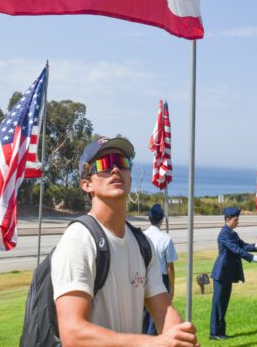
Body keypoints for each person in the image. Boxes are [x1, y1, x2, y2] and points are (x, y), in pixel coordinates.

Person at [52, 135, 199, 346]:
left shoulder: (142, 245)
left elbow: (165, 312)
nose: (115, 169)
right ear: (86, 185)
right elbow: (73, 334)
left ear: (130, 177)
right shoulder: (79, 239)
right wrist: (152, 343)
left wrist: (180, 337)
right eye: (104, 164)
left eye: (122, 163)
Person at [209, 207, 257, 341]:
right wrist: (256, 259)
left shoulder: (232, 233)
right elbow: (237, 250)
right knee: (218, 304)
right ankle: (214, 333)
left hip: (227, 274)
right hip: (221, 273)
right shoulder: (224, 234)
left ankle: (220, 332)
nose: (237, 222)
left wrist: (256, 245)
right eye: (235, 220)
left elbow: (242, 245)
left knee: (223, 304)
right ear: (228, 220)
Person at [142, 203, 178, 335]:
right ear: (162, 219)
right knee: (157, 315)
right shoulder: (165, 239)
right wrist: (172, 286)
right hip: (160, 278)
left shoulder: (141, 235)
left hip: (143, 277)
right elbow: (170, 267)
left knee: (144, 314)